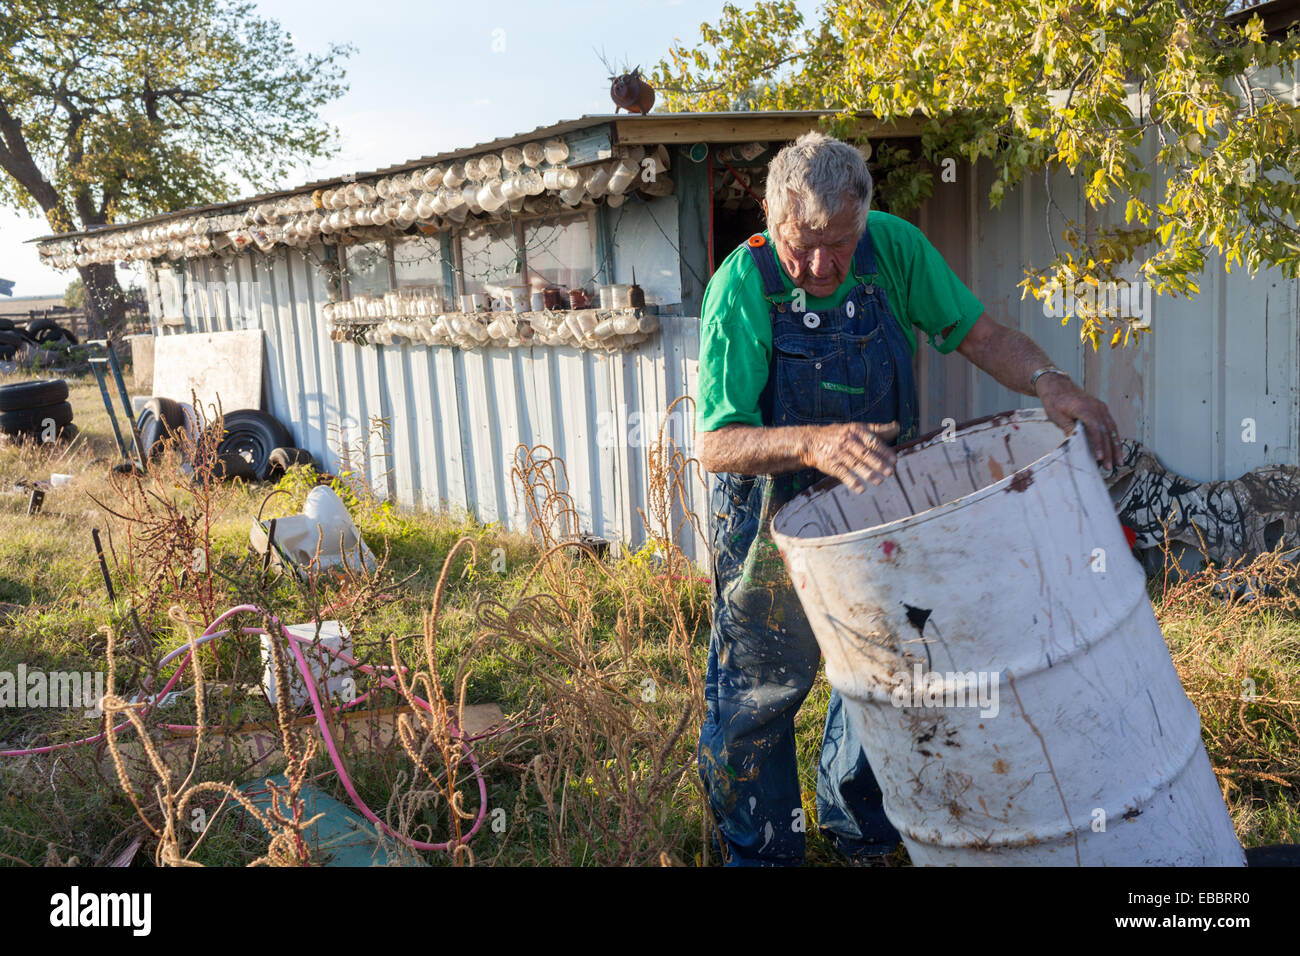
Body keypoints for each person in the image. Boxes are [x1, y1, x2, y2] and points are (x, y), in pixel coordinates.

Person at [693, 131, 1122, 866]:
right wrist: (812, 443)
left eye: (841, 243)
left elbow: (979, 334)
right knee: (759, 696)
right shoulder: (743, 283)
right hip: (772, 530)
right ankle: (759, 852)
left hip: (877, 520)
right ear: (770, 217)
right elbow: (716, 443)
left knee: (883, 677)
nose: (825, 266)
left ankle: (862, 836)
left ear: (864, 218)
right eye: (805, 247)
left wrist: (1052, 380)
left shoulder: (892, 247)